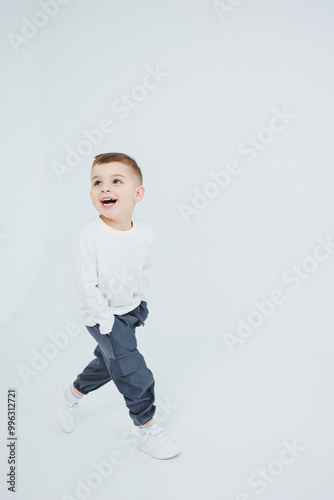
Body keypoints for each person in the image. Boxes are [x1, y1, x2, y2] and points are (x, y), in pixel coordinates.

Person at [53, 152, 180, 460]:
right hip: (103, 318)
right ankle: (146, 428)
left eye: (115, 181)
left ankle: (70, 395)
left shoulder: (146, 233)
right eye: (97, 182)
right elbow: (86, 284)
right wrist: (107, 322)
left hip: (131, 310)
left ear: (138, 193)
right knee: (134, 373)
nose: (105, 188)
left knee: (108, 365)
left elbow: (146, 268)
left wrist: (142, 302)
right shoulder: (90, 236)